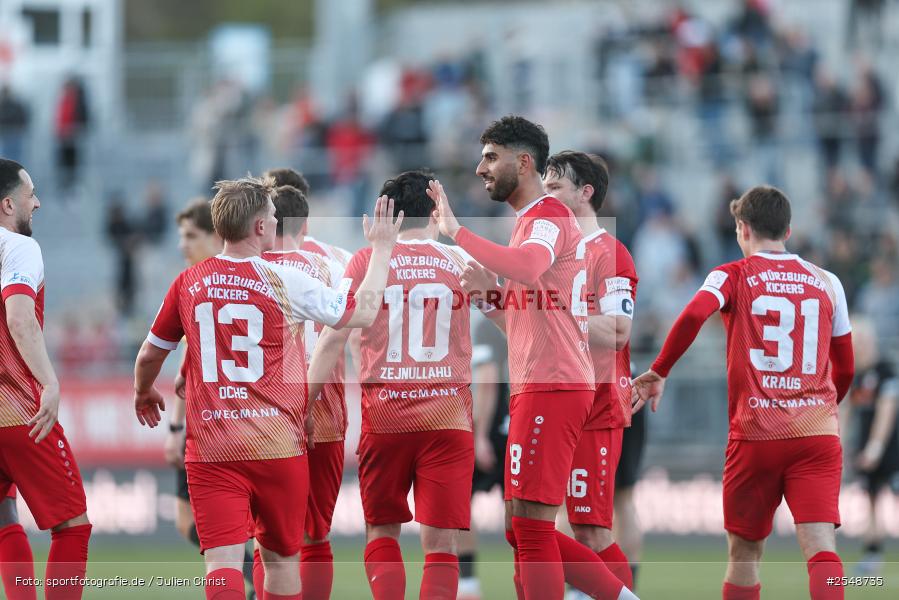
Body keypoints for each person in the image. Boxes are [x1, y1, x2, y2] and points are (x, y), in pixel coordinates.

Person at [133, 176, 402, 599]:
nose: (275, 222)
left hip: (213, 448)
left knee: (221, 565)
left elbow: (150, 355)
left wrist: (143, 391)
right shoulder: (284, 281)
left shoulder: (188, 283)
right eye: (272, 217)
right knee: (281, 564)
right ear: (260, 227)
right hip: (278, 447)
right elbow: (362, 314)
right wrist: (382, 250)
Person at [430, 116, 636, 600]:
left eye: (490, 156)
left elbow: (527, 267)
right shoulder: (530, 222)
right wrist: (488, 299)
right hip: (537, 383)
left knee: (534, 529)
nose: (480, 168)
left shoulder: (547, 217)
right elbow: (525, 317)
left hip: (555, 385)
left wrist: (456, 232)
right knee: (519, 525)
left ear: (523, 162)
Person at [632, 185, 855, 600]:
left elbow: (694, 313)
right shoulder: (828, 282)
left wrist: (659, 370)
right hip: (817, 436)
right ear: (788, 231)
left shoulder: (732, 274)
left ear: (742, 228)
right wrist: (822, 407)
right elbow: (846, 365)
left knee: (745, 554)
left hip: (756, 435)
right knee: (822, 549)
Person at [308, 169, 485, 600]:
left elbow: (333, 337)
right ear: (434, 210)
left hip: (386, 416)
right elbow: (510, 322)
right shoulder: (460, 261)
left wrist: (303, 405)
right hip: (449, 418)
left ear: (388, 213)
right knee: (441, 545)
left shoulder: (367, 262)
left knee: (382, 531)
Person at [543, 151, 637, 592]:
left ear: (585, 193)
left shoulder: (610, 251)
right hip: (551, 401)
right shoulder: (547, 253)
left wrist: (558, 314)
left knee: (590, 530)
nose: (546, 195)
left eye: (555, 187)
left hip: (596, 406)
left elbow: (617, 331)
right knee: (532, 522)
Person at [0, 158, 92, 599]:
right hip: (18, 407)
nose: (36, 202)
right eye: (28, 194)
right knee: (73, 524)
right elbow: (19, 319)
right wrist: (50, 383)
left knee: (3, 514)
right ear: (5, 204)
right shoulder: (17, 247)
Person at [164, 199, 262, 592]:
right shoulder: (199, 282)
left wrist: (175, 425)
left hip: (216, 420)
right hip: (219, 417)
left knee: (216, 528)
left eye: (191, 236)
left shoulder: (201, 285)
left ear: (214, 236)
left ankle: (250, 577)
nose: (183, 245)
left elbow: (182, 361)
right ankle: (250, 573)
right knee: (190, 524)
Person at [261, 184, 346, 600]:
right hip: (326, 411)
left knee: (269, 540)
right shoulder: (333, 265)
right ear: (305, 224)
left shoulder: (251, 269)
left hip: (264, 416)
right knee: (316, 535)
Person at [457, 315, 510, 600]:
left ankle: (467, 585)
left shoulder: (485, 323)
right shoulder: (518, 316)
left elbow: (487, 379)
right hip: (521, 423)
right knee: (523, 513)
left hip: (494, 428)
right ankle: (530, 577)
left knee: (460, 501)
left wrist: (480, 435)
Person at [846, 317, 898, 575]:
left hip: (891, 450)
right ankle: (872, 555)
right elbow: (846, 410)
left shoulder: (885, 371)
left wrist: (875, 448)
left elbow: (886, 411)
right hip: (866, 450)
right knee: (871, 500)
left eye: (858, 342)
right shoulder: (857, 377)